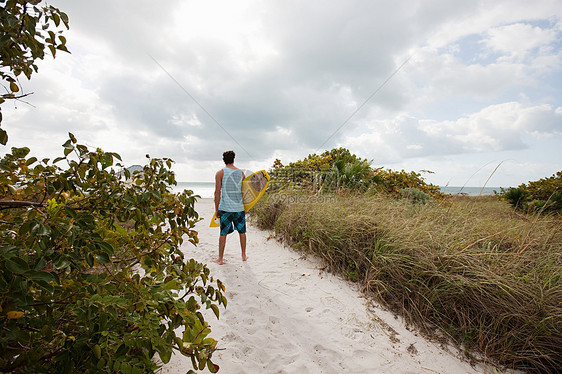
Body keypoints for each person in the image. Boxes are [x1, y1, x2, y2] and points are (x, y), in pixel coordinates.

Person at [213, 150, 246, 265]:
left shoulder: (220, 173)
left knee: (223, 233)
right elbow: (244, 191)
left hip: (225, 208)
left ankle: (220, 259)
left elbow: (217, 193)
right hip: (239, 208)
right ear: (233, 159)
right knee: (242, 232)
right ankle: (243, 255)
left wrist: (216, 209)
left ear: (224, 160)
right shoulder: (241, 173)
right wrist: (245, 207)